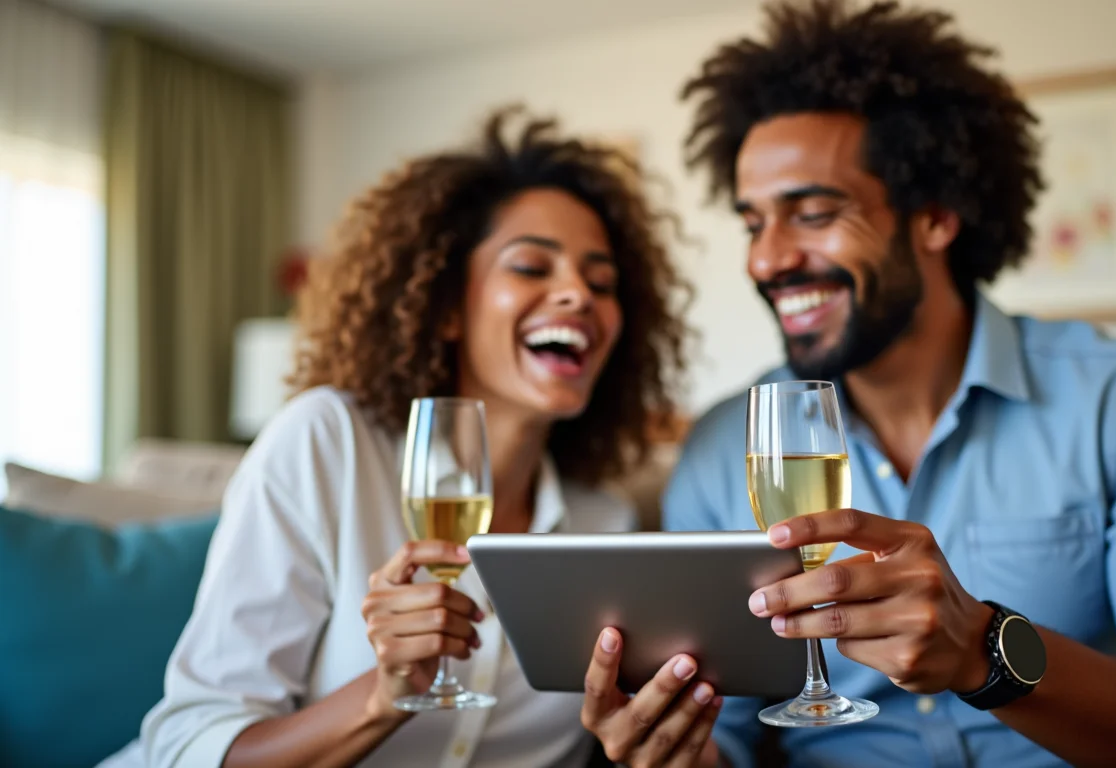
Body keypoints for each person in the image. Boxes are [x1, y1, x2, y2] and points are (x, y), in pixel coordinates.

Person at [580, 1, 1116, 766]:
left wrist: (983, 650)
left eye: (812, 213)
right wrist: (673, 750)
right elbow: (735, 738)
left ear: (936, 217)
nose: (766, 260)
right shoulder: (725, 448)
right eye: (753, 224)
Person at [113, 107, 694, 768]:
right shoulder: (327, 443)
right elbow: (188, 745)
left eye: (602, 282)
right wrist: (382, 697)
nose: (578, 295)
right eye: (533, 267)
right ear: (446, 308)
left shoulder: (606, 526)